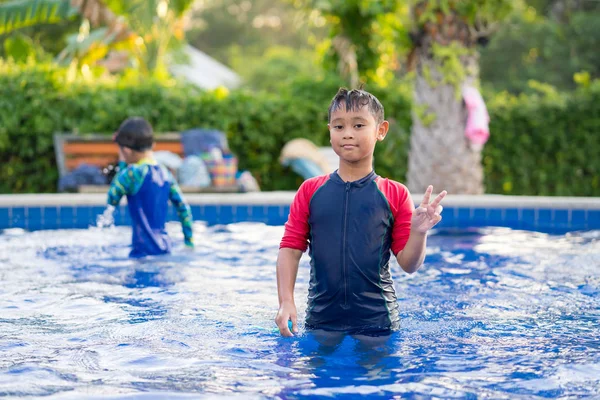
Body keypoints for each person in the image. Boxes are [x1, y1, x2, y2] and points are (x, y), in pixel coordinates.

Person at [275, 88, 447, 337]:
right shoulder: (310, 191)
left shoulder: (395, 193)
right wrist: (286, 301)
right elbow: (290, 250)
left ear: (381, 130)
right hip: (322, 319)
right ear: (330, 131)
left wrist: (419, 232)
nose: (347, 134)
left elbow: (409, 264)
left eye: (358, 125)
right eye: (338, 127)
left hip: (378, 322)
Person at [107, 117, 194, 258]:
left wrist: (122, 163)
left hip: (142, 253)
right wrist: (189, 243)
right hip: (165, 250)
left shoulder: (132, 173)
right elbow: (184, 208)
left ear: (127, 151)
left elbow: (112, 198)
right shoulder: (166, 173)